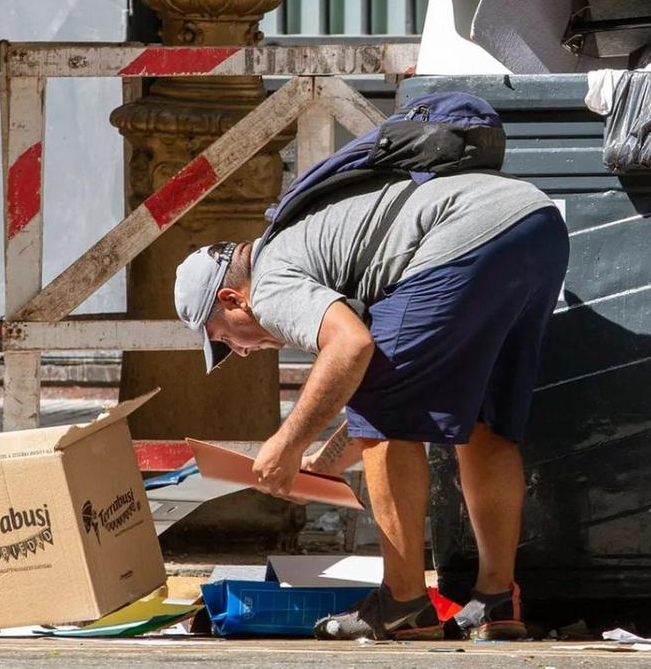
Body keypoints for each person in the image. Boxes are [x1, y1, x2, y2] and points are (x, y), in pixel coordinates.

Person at [172, 93, 568, 641]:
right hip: (535, 222)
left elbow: (353, 350)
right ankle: (496, 601)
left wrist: (286, 444)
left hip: (462, 237)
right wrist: (323, 463)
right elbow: (378, 375)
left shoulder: (270, 280)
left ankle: (404, 604)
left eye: (224, 338)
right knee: (484, 423)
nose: (239, 351)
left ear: (233, 299)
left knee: (386, 419)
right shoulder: (307, 242)